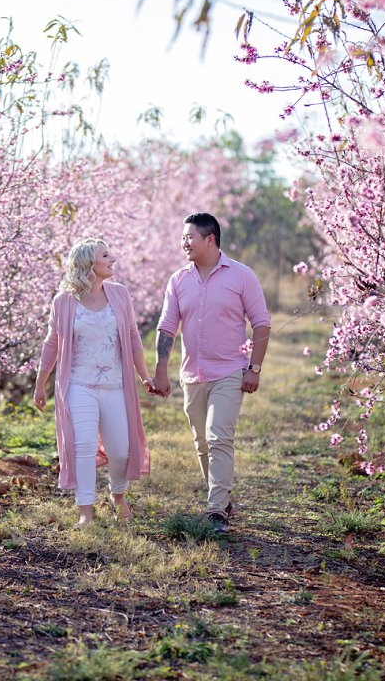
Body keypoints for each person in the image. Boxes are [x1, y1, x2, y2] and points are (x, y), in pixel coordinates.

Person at [150, 213, 271, 533]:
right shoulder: (178, 280)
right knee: (202, 442)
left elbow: (261, 323)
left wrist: (254, 368)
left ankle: (216, 510)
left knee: (219, 436)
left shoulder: (242, 275)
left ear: (210, 239)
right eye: (182, 237)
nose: (184, 243)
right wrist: (161, 371)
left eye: (189, 237)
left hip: (229, 370)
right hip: (192, 374)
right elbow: (167, 327)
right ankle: (221, 497)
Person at [34, 239, 153, 528]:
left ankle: (118, 496)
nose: (113, 259)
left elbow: (133, 336)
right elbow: (52, 343)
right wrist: (40, 383)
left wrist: (144, 375)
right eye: (105, 255)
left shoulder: (120, 294)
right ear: (89, 263)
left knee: (121, 451)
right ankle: (85, 510)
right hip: (79, 385)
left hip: (115, 385)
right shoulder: (63, 301)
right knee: (84, 445)